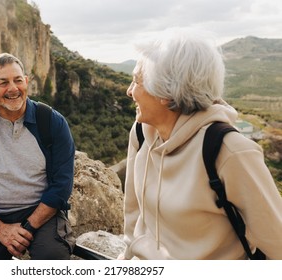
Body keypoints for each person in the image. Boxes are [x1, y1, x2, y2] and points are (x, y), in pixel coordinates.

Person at [121, 28, 282, 260]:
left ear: (165, 92)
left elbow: (276, 242)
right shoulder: (141, 133)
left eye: (137, 81)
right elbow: (134, 213)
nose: (129, 91)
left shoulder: (230, 151)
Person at [0, 53, 75, 260]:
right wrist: (1, 230)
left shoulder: (51, 122)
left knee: (52, 256)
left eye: (18, 80)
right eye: (3, 83)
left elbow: (61, 185)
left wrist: (27, 228)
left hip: (42, 212)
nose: (13, 88)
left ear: (26, 82)